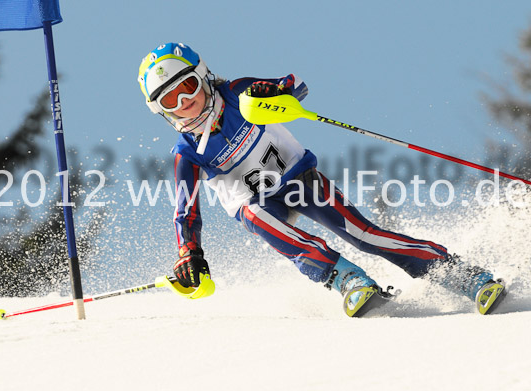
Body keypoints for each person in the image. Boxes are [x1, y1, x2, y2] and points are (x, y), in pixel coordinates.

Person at [137, 42, 506, 317]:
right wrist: (190, 253)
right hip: (257, 202)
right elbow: (185, 210)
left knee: (364, 234)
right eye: (169, 100)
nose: (183, 102)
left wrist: (275, 92)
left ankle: (464, 276)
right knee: (254, 217)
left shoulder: (236, 94)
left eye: (187, 87)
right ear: (161, 112)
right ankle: (348, 280)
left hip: (298, 177)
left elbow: (292, 87)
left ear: (203, 77)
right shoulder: (187, 153)